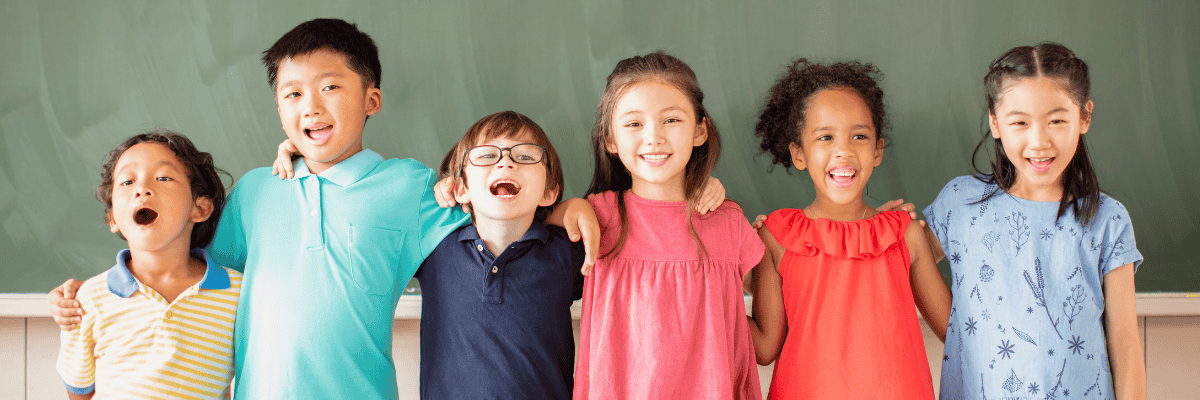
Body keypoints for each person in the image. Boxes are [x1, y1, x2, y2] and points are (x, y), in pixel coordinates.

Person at [49, 18, 598, 399]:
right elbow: (185, 266)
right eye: (291, 94)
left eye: (330, 86)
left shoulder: (408, 188)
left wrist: (563, 209)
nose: (310, 106)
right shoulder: (258, 192)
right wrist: (85, 301)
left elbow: (495, 206)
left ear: (371, 100)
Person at [925, 42, 1145, 399]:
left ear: (1084, 117)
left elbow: (1125, 344)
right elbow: (910, 261)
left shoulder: (1107, 219)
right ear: (995, 122)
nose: (1039, 141)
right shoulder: (959, 203)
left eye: (1057, 120)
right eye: (1020, 123)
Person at [747, 59, 951, 399]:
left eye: (859, 136)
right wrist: (711, 288)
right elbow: (765, 347)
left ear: (877, 150)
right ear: (799, 154)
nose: (843, 150)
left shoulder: (905, 234)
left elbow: (953, 330)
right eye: (825, 137)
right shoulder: (776, 235)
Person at [571, 51, 764, 400]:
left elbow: (767, 294)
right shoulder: (598, 217)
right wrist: (571, 208)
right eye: (633, 124)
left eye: (671, 120)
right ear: (610, 140)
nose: (654, 137)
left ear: (700, 130)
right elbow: (533, 217)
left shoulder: (728, 221)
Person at [57, 131, 239, 399]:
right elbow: (79, 391)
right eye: (127, 181)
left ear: (199, 209)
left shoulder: (237, 294)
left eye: (164, 178)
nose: (142, 189)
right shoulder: (88, 300)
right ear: (112, 218)